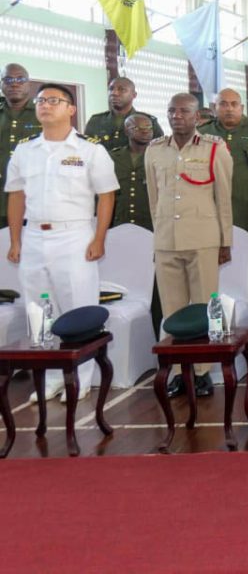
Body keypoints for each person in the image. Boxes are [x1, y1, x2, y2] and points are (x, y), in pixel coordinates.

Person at [6, 83, 117, 401]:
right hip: (34, 236)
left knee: (77, 306)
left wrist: (99, 237)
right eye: (41, 101)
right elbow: (16, 196)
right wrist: (15, 240)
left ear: (71, 109)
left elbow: (106, 196)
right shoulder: (25, 150)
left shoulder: (89, 149)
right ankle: (51, 375)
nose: (45, 105)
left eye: (53, 100)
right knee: (38, 309)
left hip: (74, 236)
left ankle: (80, 377)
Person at [145, 93, 234, 399]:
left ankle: (202, 372)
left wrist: (225, 241)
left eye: (184, 111)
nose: (177, 116)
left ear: (198, 117)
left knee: (204, 307)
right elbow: (154, 200)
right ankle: (179, 371)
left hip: (203, 238)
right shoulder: (155, 150)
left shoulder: (214, 148)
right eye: (172, 111)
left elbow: (223, 199)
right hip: (168, 240)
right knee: (172, 309)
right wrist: (159, 237)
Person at [199, 88, 248, 330]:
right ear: (215, 107)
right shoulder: (203, 132)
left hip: (247, 212)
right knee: (211, 274)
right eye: (223, 104)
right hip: (210, 215)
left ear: (242, 107)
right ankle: (213, 324)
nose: (229, 109)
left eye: (234, 104)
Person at [0, 64, 40, 229]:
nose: (14, 84)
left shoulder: (45, 113)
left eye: (20, 79)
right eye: (8, 79)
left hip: (34, 203)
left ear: (28, 84)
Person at [84, 76, 163, 152]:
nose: (114, 93)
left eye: (121, 90)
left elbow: (159, 152)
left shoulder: (148, 121)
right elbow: (87, 150)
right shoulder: (96, 121)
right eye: (111, 89)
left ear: (134, 95)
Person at [110, 113, 154, 230]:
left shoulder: (159, 157)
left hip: (149, 225)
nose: (145, 131)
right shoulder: (113, 157)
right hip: (119, 223)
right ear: (126, 131)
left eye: (148, 127)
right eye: (136, 128)